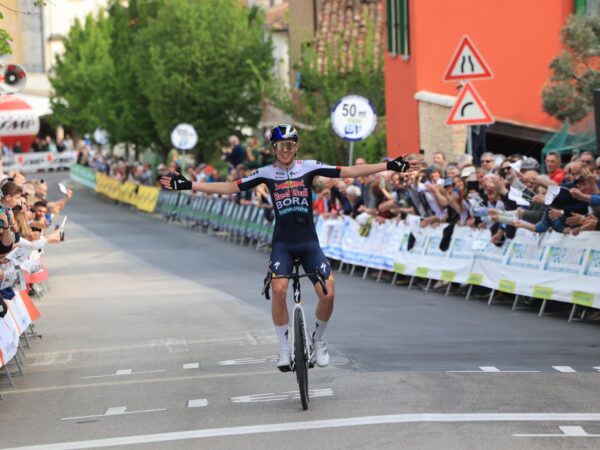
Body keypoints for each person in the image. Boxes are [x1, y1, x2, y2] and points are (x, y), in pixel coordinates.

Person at [160, 124, 416, 371]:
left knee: (328, 295)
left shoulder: (309, 167)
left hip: (309, 244)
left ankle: (318, 340)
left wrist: (388, 166)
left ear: (296, 147)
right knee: (279, 289)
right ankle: (284, 349)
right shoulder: (266, 172)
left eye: (290, 145)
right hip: (283, 244)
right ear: (274, 148)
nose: (286, 150)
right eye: (281, 145)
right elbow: (230, 187)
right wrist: (189, 185)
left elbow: (348, 171)